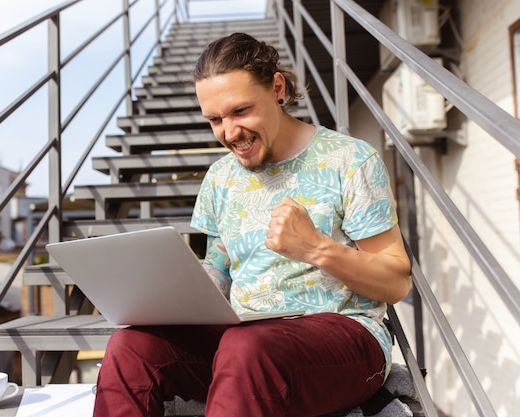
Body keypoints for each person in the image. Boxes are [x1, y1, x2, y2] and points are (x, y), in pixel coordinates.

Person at [92, 32, 412, 417]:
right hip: (243, 340)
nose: (229, 133)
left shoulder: (350, 160)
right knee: (131, 348)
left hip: (345, 340)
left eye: (240, 111)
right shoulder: (219, 177)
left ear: (277, 88)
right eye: (215, 119)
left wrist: (316, 249)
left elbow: (396, 281)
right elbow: (220, 264)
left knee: (247, 347)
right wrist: (191, 289)